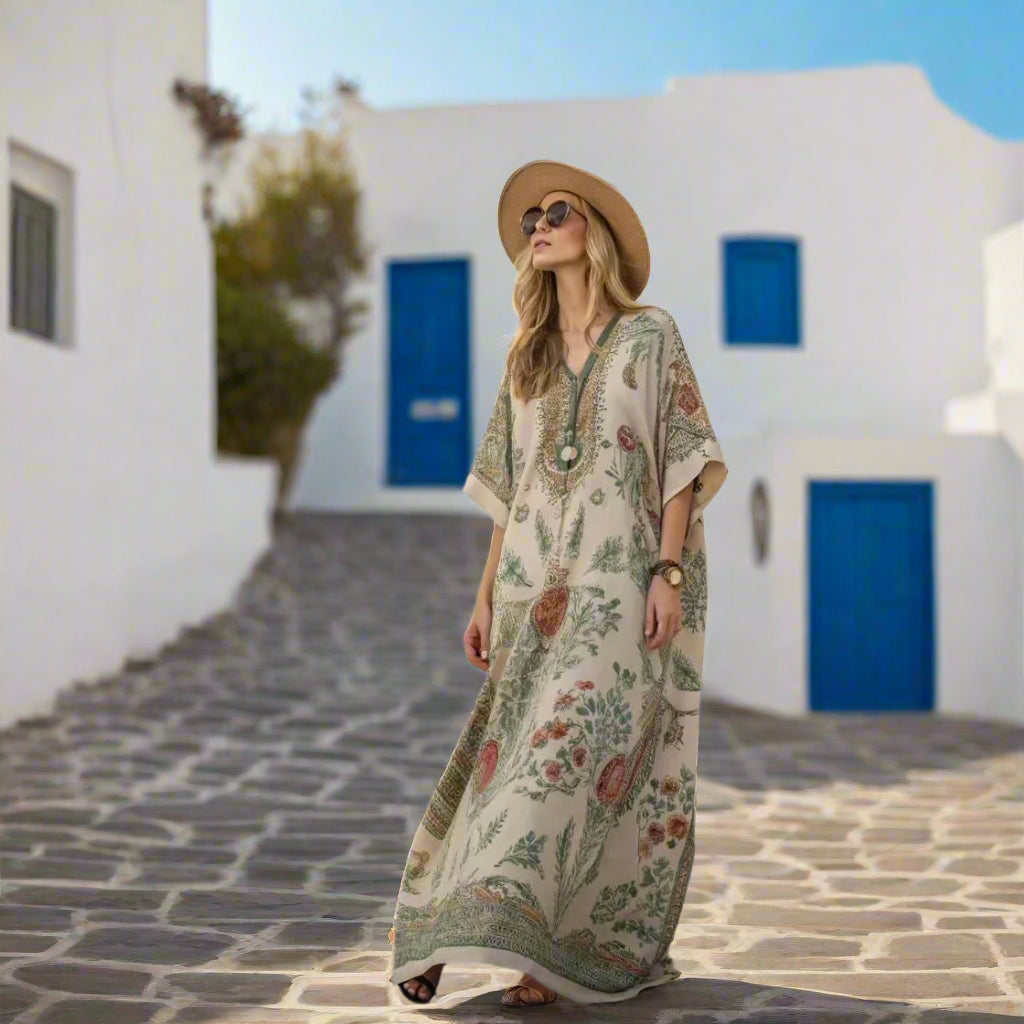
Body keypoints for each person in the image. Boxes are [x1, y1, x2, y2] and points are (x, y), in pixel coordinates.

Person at [387, 159, 728, 1007]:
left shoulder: (651, 335)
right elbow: (510, 490)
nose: (539, 225)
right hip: (530, 590)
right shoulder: (526, 360)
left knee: (570, 755)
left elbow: (681, 462)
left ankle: (546, 950)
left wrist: (668, 571)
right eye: (531, 217)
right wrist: (482, 593)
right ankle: (446, 923)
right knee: (505, 763)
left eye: (558, 213)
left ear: (594, 234)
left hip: (620, 588)